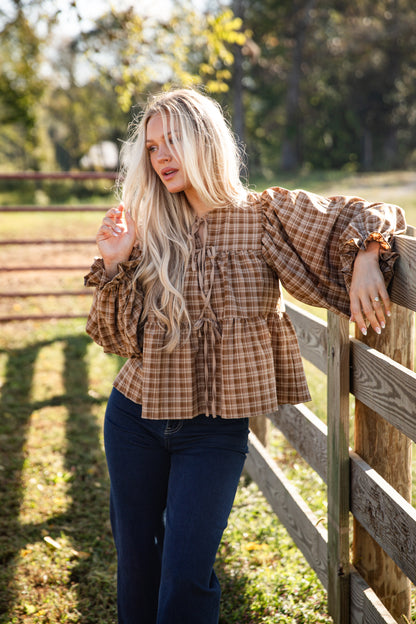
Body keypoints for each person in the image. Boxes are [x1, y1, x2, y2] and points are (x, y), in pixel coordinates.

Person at [84, 88, 406, 624]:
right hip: (134, 419)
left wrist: (369, 254)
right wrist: (115, 264)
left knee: (186, 576)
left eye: (174, 142)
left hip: (213, 432)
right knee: (137, 565)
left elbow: (368, 211)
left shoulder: (265, 216)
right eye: (153, 147)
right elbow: (118, 339)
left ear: (207, 142)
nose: (161, 157)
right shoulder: (149, 222)